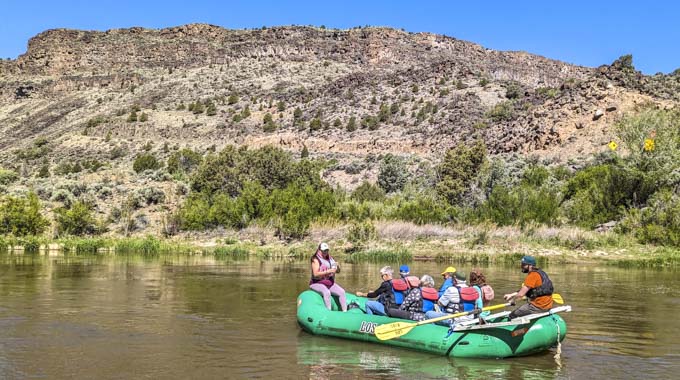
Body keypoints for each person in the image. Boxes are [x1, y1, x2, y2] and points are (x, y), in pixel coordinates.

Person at [309, 242, 347, 312]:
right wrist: (328, 271)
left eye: (326, 250)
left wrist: (338, 267)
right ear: (319, 250)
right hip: (317, 283)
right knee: (326, 292)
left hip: (329, 283)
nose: (325, 252)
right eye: (323, 251)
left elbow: (337, 271)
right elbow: (315, 274)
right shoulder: (315, 259)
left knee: (342, 292)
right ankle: (328, 312)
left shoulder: (330, 259)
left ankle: (345, 312)